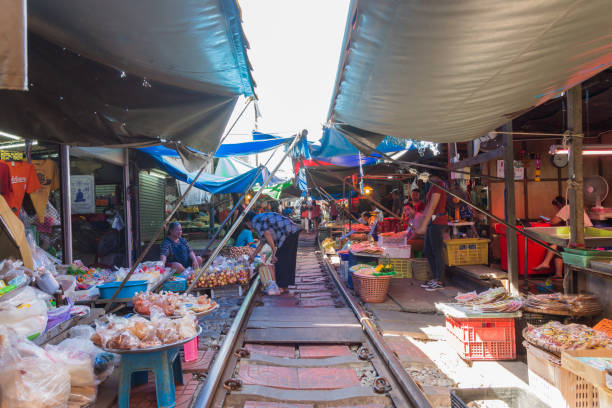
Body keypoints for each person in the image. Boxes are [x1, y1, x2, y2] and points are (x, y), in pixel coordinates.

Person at [534, 196, 593, 276]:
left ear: (558, 204)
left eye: (556, 208)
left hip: (580, 240)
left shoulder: (566, 207)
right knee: (559, 246)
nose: (557, 210)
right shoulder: (575, 207)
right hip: (588, 236)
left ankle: (547, 263)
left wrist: (549, 220)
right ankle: (557, 273)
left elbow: (554, 222)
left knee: (556, 244)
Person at [246, 211, 301, 295]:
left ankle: (281, 286)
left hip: (287, 233)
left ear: (248, 221)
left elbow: (267, 234)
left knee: (280, 260)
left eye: (246, 224)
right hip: (292, 231)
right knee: (288, 259)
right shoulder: (260, 219)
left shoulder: (255, 221)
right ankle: (285, 286)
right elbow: (263, 241)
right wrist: (253, 256)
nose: (248, 226)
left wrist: (274, 250)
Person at [415, 176, 448, 291]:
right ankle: (435, 278)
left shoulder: (439, 185)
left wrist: (423, 225)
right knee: (428, 251)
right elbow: (428, 206)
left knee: (437, 251)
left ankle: (440, 280)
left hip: (438, 221)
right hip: (431, 222)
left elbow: (433, 207)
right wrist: (421, 223)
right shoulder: (433, 187)